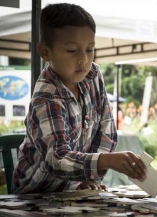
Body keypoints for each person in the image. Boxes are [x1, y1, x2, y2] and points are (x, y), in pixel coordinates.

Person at [12, 3, 146, 194]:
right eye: (72, 51)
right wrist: (105, 160)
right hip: (36, 195)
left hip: (75, 190)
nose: (83, 59)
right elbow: (57, 159)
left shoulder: (93, 75)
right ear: (45, 52)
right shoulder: (47, 97)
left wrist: (87, 179)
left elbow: (106, 132)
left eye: (90, 49)